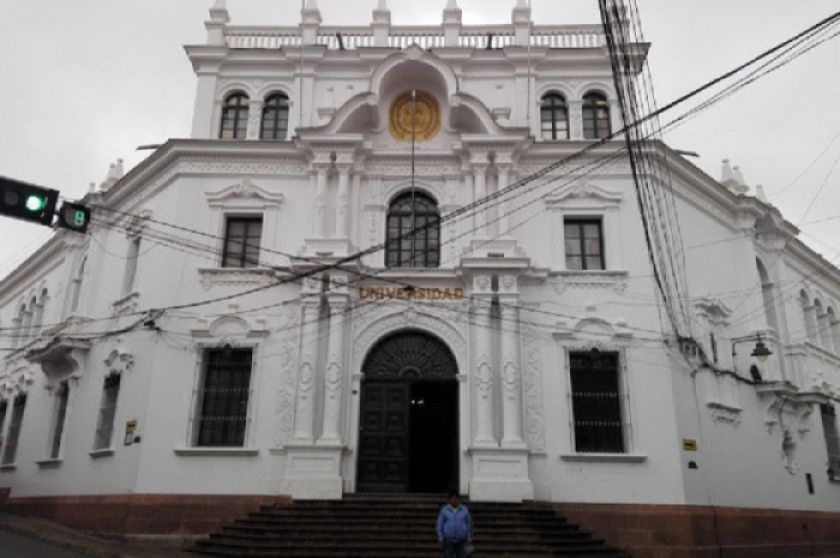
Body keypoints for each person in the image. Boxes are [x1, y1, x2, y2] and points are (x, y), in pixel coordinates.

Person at [436, 491, 473, 558]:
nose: (454, 500)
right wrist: (440, 538)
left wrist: (469, 538)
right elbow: (439, 525)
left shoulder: (464, 509)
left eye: (455, 498)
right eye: (452, 498)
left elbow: (469, 525)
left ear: (458, 499)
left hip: (462, 541)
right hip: (448, 541)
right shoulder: (444, 510)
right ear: (449, 499)